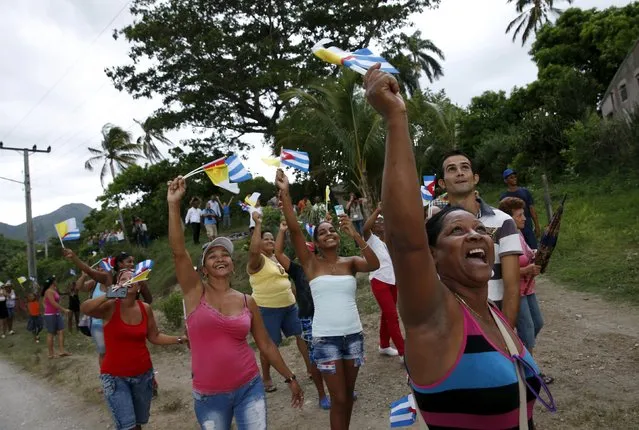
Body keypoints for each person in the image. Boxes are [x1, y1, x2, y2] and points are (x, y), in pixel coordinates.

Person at [364, 64, 552, 429]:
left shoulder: (492, 316)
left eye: (480, 229)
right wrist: (396, 118)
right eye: (456, 232)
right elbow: (406, 243)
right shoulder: (437, 317)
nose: (476, 234)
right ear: (432, 255)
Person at [167, 176, 303, 430]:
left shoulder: (247, 301)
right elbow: (178, 251)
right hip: (209, 395)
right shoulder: (195, 293)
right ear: (204, 269)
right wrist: (174, 205)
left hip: (249, 386)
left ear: (232, 264)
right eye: (212, 256)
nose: (220, 259)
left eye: (225, 255)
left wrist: (290, 377)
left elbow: (266, 345)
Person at [277, 168, 379, 430]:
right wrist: (286, 195)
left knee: (348, 398)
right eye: (322, 233)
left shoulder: (351, 263)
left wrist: (355, 235)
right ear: (317, 243)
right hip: (326, 339)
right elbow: (296, 231)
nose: (329, 234)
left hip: (354, 336)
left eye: (332, 230)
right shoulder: (311, 264)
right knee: (339, 398)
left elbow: (374, 263)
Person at [81, 267, 187, 430]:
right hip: (115, 378)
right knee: (128, 426)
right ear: (117, 284)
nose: (129, 281)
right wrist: (109, 293)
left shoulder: (145, 309)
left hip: (143, 376)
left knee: (138, 424)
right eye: (124, 279)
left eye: (133, 279)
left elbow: (155, 336)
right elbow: (85, 308)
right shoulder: (110, 307)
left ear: (139, 287)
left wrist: (179, 339)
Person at [437, 150, 522, 327]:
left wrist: (506, 334)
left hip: (494, 319)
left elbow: (512, 286)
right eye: (451, 169)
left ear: (475, 178)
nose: (459, 172)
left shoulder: (504, 221)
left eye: (464, 167)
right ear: (442, 183)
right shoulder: (435, 227)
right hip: (451, 323)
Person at [247, 209, 311, 393]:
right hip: (267, 309)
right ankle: (266, 377)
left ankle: (310, 369)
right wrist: (257, 224)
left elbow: (289, 280)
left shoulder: (278, 259)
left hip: (290, 306)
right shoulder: (256, 261)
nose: (269, 241)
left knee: (302, 337)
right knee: (269, 345)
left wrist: (282, 230)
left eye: (271, 239)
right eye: (265, 239)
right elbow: (253, 250)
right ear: (258, 242)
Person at [275, 220, 330, 409]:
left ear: (315, 251)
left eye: (308, 251)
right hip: (308, 319)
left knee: (336, 354)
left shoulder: (325, 265)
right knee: (315, 358)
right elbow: (278, 254)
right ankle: (322, 395)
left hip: (329, 316)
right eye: (301, 252)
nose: (305, 254)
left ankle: (341, 390)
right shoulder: (297, 270)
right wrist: (282, 231)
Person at [498, 197, 554, 385]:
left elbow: (527, 253)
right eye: (520, 215)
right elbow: (502, 269)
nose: (524, 219)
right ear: (508, 218)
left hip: (528, 288)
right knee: (527, 330)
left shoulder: (519, 234)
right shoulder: (503, 237)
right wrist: (526, 270)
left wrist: (539, 254)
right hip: (515, 292)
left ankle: (518, 358)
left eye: (524, 214)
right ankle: (529, 373)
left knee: (537, 323)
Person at [361, 203, 405, 360]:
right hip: (379, 281)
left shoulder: (390, 242)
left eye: (382, 221)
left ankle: (384, 345)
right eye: (377, 222)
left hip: (392, 281)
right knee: (392, 316)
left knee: (387, 315)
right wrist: (378, 210)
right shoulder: (371, 239)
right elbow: (365, 228)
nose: (379, 223)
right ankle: (403, 352)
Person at [501, 169, 542, 249]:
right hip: (513, 226)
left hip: (527, 223)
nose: (514, 179)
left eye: (515, 177)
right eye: (511, 177)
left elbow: (532, 209)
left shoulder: (525, 192)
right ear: (506, 181)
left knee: (533, 247)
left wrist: (537, 226)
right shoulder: (504, 197)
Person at [42, 276, 72, 359]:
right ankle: (50, 353)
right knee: (51, 333)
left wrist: (46, 306)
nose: (56, 282)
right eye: (55, 281)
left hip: (56, 314)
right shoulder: (48, 291)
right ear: (52, 282)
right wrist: (64, 310)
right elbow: (53, 303)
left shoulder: (54, 290)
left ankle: (62, 351)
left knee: (61, 331)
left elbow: (44, 302)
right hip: (50, 315)